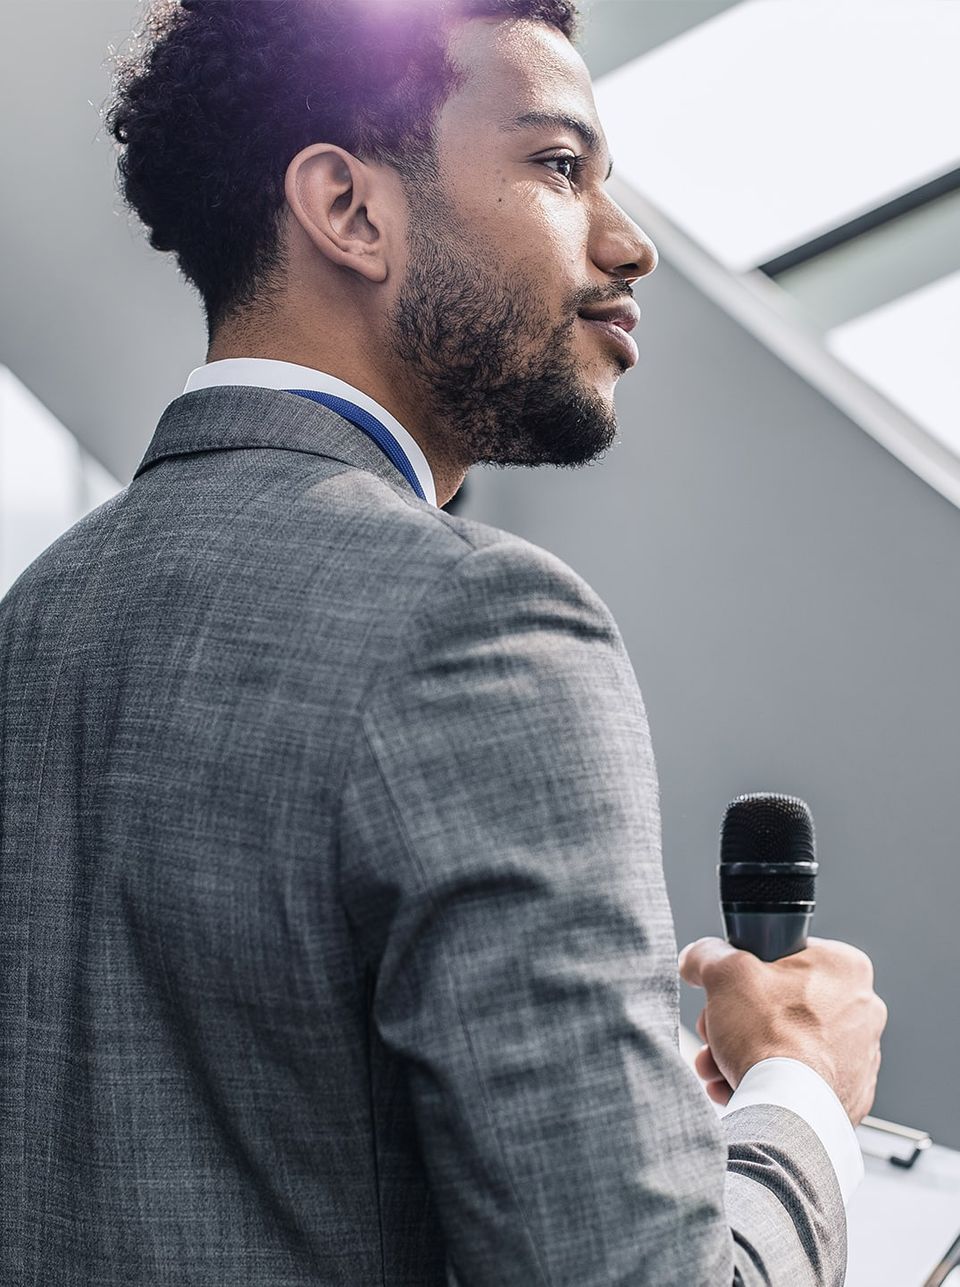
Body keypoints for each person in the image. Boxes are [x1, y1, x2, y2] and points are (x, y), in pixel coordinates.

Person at [0, 0, 886, 1282]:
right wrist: (798, 1096)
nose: (629, 245)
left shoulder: (39, 616)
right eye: (559, 166)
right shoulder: (477, 622)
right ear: (349, 210)